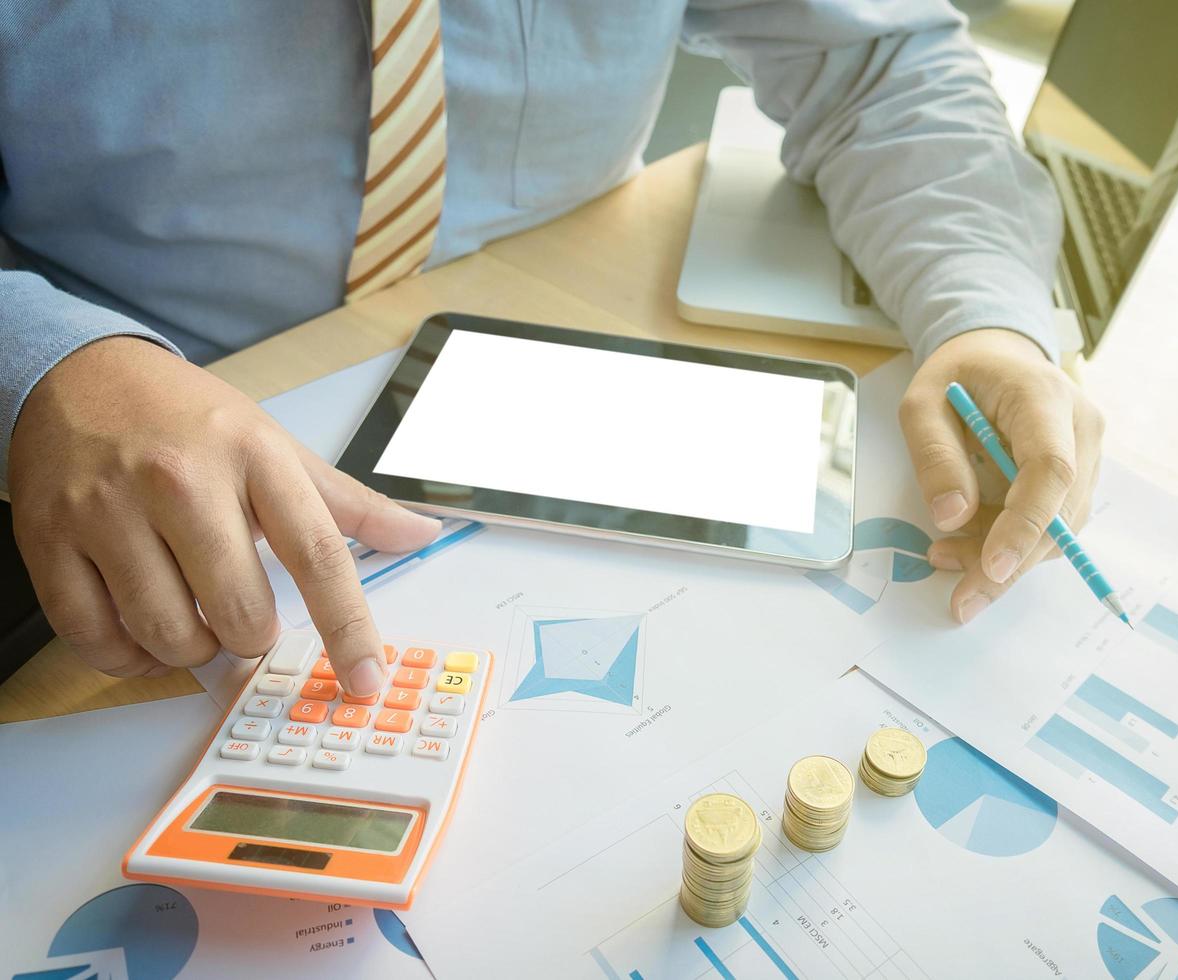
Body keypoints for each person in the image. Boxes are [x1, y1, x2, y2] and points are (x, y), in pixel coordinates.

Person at [0, 0, 1103, 696]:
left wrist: (984, 311)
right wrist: (46, 366)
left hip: (579, 340)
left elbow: (882, 66)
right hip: (153, 414)